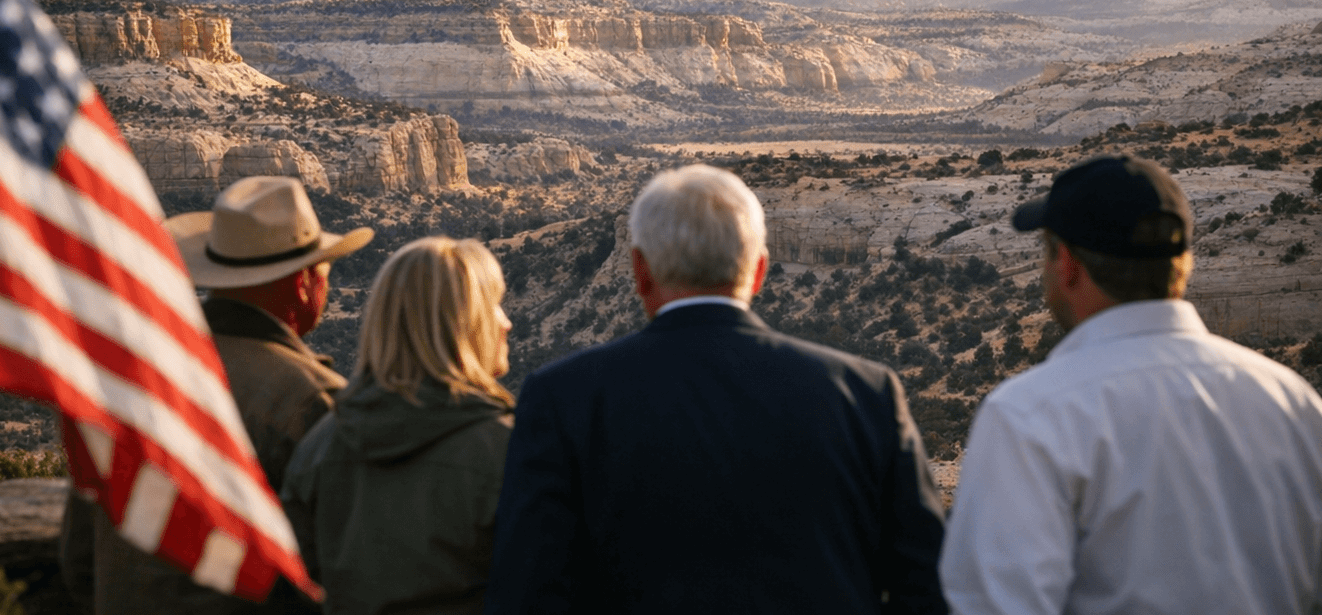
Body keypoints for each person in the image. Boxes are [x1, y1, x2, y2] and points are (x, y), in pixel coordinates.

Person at [483, 164, 947, 615]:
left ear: (640, 271)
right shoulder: (866, 394)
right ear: (759, 270)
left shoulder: (562, 399)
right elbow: (926, 584)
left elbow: (527, 591)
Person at [941, 154, 1322, 614]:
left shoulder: (1031, 416)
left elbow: (996, 604)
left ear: (1067, 264)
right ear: (1184, 263)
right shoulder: (1293, 402)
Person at [62, 175, 373, 615]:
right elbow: (338, 573)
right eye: (324, 269)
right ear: (303, 284)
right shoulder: (311, 402)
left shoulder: (128, 378)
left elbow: (78, 561)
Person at [281, 236, 516, 615]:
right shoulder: (506, 450)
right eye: (494, 306)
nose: (507, 322)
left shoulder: (319, 448)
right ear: (462, 325)